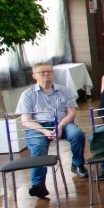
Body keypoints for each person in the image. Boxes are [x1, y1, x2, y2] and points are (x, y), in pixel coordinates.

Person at [16, 63, 88, 197]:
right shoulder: (27, 94)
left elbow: (71, 113)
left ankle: (78, 164)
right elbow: (26, 120)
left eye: (49, 71)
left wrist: (59, 126)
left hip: (62, 123)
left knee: (77, 134)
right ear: (34, 76)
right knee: (38, 146)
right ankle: (38, 184)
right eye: (42, 72)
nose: (46, 74)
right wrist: (44, 131)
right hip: (38, 126)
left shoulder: (65, 90)